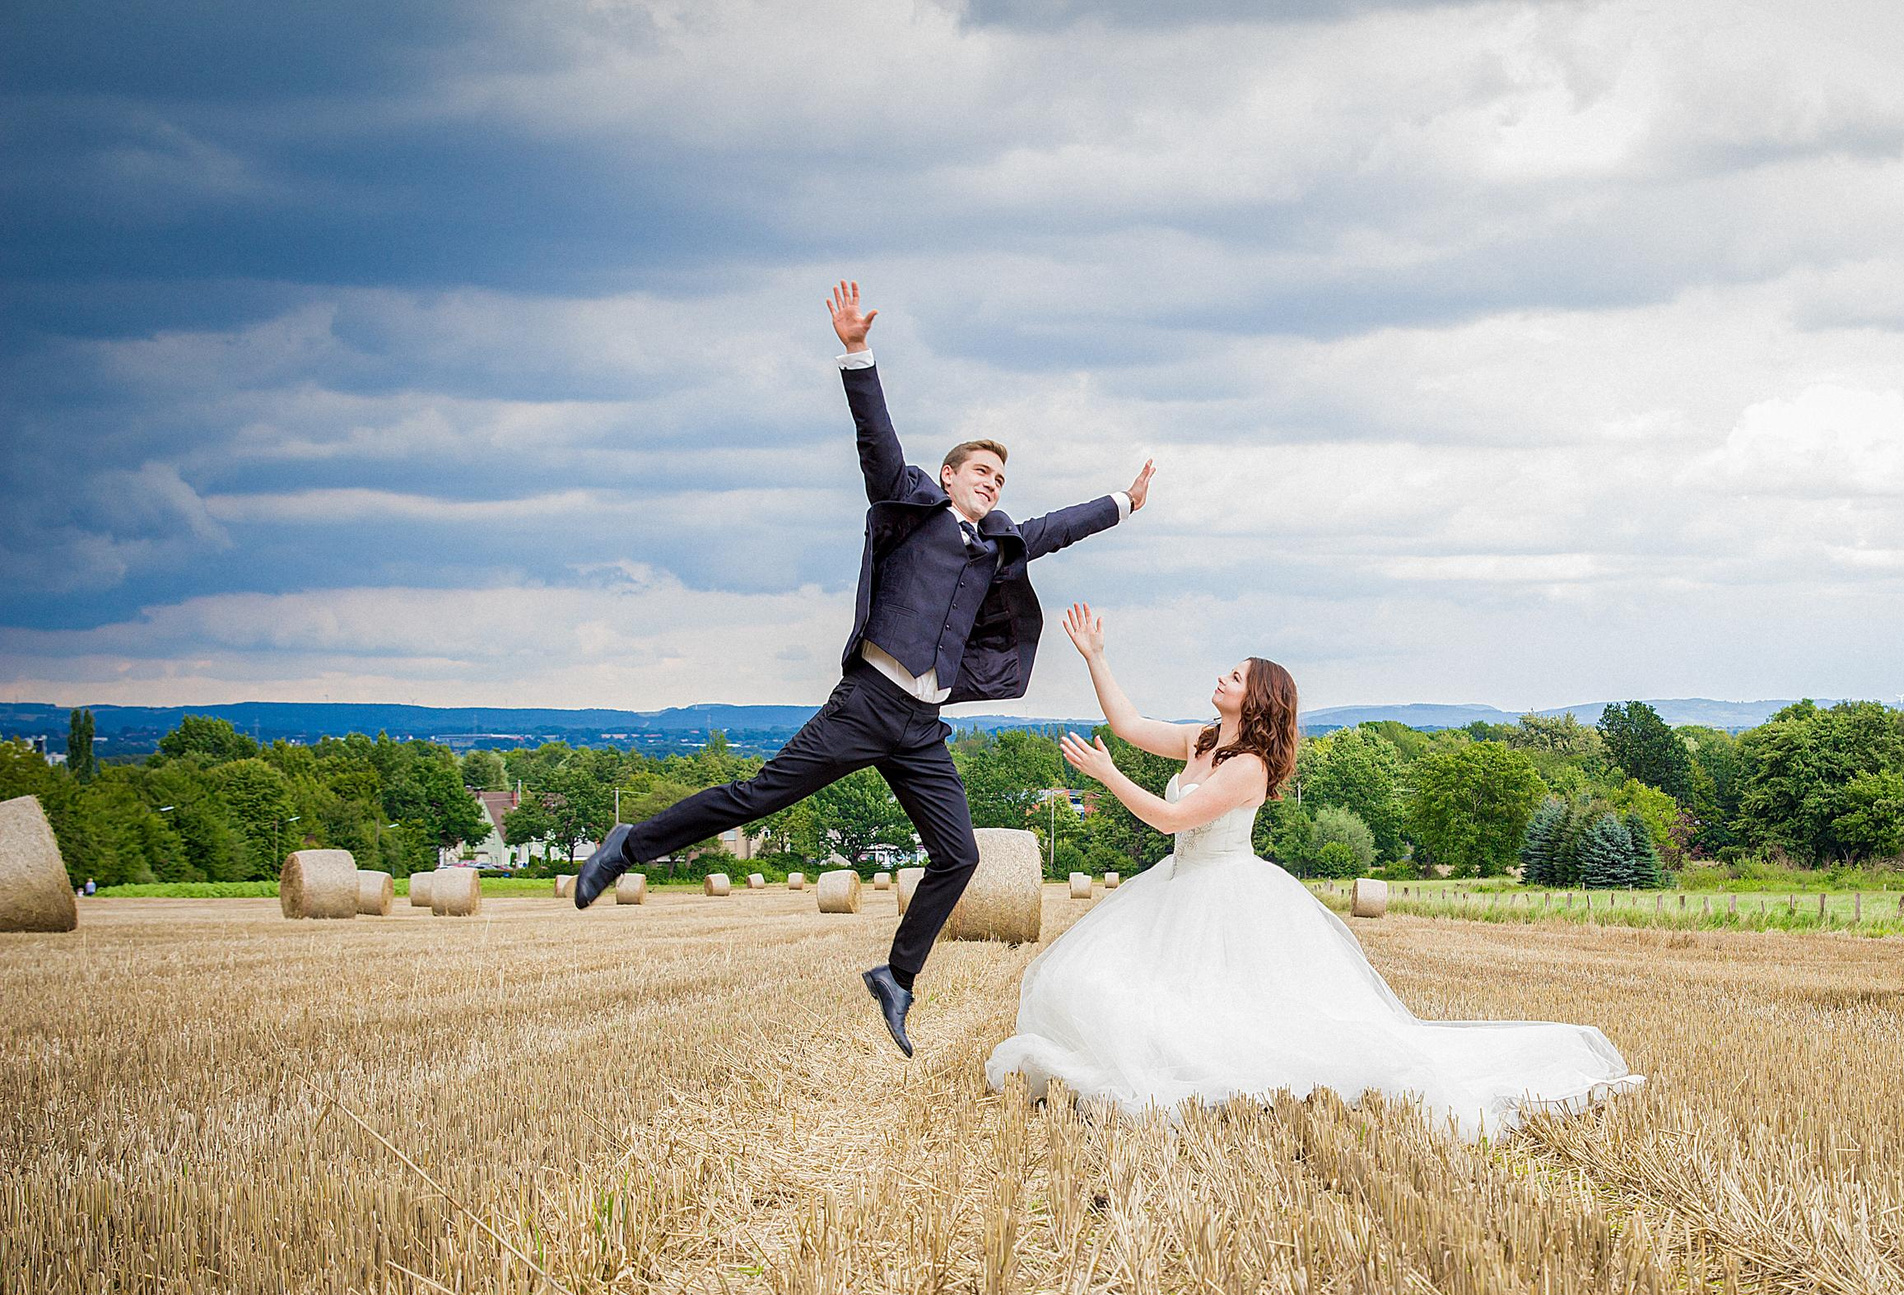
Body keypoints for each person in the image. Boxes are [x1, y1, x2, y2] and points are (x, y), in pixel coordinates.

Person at [575, 278, 1155, 1055]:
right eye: (981, 471)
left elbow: (1057, 527)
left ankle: (897, 979)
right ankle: (628, 845)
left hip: (921, 728)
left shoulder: (998, 545)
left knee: (960, 856)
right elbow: (876, 441)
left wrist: (1124, 501)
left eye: (1001, 479)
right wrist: (857, 354)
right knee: (757, 798)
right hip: (867, 704)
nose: (993, 483)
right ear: (949, 476)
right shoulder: (911, 507)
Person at [984, 604, 1642, 1139]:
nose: (1222, 678)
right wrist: (1096, 657)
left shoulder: (1247, 767)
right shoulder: (1203, 740)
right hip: (1176, 888)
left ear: (1258, 698)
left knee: (1233, 1023)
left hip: (1225, 893)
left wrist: (1106, 775)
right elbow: (1127, 724)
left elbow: (1168, 820)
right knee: (1100, 990)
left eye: (1235, 676)